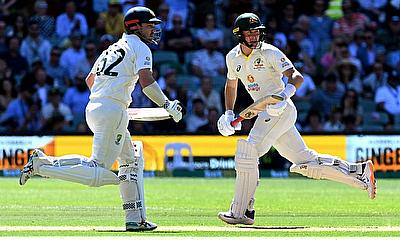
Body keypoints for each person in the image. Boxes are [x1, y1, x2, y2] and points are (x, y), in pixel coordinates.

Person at [19, 6, 184, 232]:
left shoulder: (111, 49)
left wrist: (113, 96)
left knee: (130, 161)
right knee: (98, 170)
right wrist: (167, 104)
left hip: (95, 107)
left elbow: (90, 80)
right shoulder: (140, 48)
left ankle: (134, 219)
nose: (153, 30)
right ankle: (42, 166)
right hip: (111, 111)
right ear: (134, 27)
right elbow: (147, 82)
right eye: (149, 26)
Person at [216, 13, 376, 226]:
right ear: (239, 35)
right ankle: (359, 172)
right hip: (267, 112)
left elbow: (297, 77)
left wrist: (284, 96)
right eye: (250, 33)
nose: (255, 37)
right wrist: (228, 113)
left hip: (279, 109)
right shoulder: (232, 57)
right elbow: (231, 85)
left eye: (257, 32)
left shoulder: (270, 52)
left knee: (247, 151)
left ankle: (242, 211)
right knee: (305, 162)